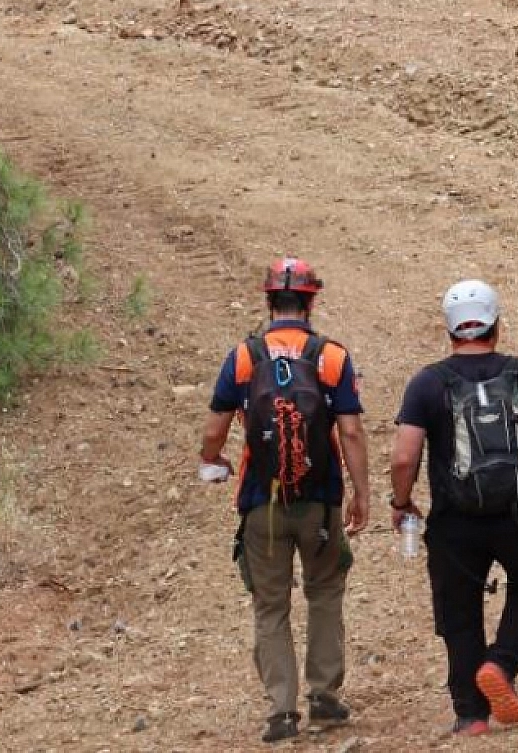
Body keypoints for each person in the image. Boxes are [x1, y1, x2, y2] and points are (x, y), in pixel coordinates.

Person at [198, 257, 369, 745]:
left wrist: (214, 460)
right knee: (325, 594)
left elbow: (214, 429)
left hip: (261, 502)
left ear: (269, 300)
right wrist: (361, 493)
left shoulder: (244, 357)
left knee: (270, 605)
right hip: (320, 500)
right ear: (310, 301)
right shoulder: (330, 355)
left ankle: (280, 710)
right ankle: (324, 698)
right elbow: (351, 432)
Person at [390, 279, 518, 737]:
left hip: (455, 521)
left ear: (449, 329)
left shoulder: (428, 382)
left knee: (459, 610)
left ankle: (471, 715)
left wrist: (402, 501)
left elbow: (404, 456)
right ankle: (502, 664)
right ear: (497, 324)